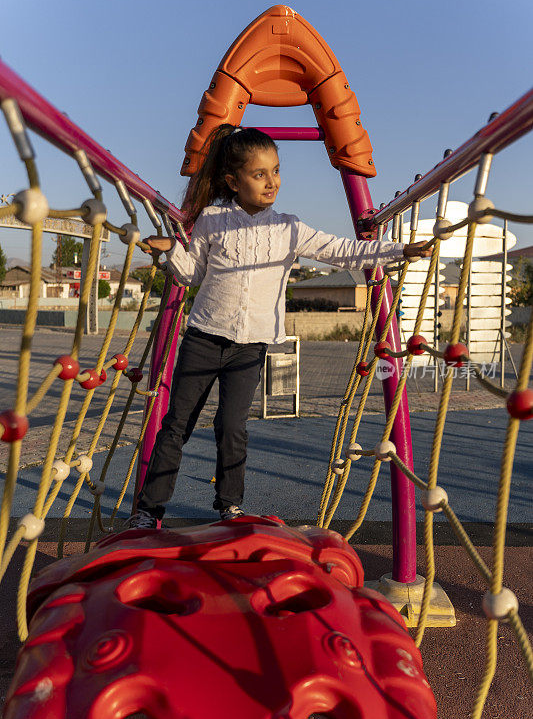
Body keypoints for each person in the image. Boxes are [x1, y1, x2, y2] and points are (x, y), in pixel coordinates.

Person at [128, 125, 431, 528]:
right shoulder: (212, 220)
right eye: (259, 174)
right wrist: (170, 249)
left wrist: (399, 249)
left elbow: (342, 251)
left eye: (275, 171)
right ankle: (149, 512)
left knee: (233, 426)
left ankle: (229, 505)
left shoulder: (289, 227)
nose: (272, 181)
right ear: (232, 181)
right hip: (203, 337)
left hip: (250, 346)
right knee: (175, 425)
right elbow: (191, 273)